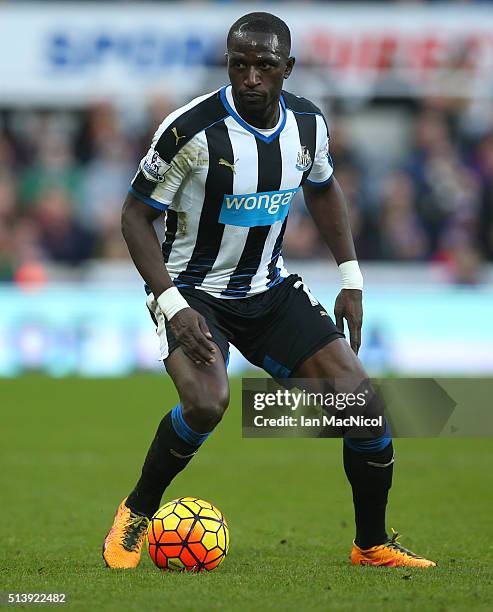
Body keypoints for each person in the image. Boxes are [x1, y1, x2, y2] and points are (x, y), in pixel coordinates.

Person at [102, 12, 435, 569]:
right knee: (208, 402)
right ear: (227, 64)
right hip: (195, 293)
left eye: (264, 66)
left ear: (288, 69)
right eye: (239, 64)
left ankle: (371, 544)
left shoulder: (308, 124)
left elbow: (325, 191)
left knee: (364, 411)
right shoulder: (190, 130)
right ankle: (136, 512)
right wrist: (170, 303)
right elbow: (135, 217)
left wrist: (350, 277)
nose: (250, 76)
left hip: (269, 289)